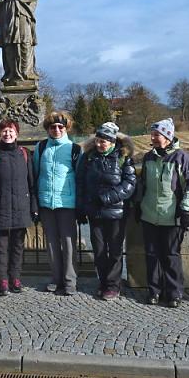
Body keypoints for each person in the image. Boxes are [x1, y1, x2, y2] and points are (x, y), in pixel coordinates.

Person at [137, 118, 189, 308]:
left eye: (157, 135)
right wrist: (138, 205)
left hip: (172, 216)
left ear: (168, 137)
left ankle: (174, 293)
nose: (153, 138)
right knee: (152, 255)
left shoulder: (181, 157)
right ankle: (154, 291)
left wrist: (185, 211)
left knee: (171, 256)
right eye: (152, 134)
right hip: (149, 215)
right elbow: (142, 184)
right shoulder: (148, 157)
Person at [0, 119, 38, 295]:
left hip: (21, 208)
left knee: (18, 247)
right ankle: (2, 279)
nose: (7, 134)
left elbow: (32, 184)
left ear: (17, 133)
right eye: (4, 131)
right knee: (1, 247)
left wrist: (34, 207)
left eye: (11, 131)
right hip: (0, 208)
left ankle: (15, 277)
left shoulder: (25, 154)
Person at [76, 122, 136, 301]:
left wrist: (108, 197)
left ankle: (113, 285)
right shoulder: (88, 158)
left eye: (104, 141)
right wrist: (81, 207)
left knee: (115, 250)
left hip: (116, 213)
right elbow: (80, 183)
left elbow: (130, 184)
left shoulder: (123, 157)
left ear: (112, 142)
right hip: (95, 212)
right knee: (100, 250)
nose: (100, 144)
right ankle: (103, 282)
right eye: (98, 140)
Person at [33, 111, 81, 296]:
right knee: (52, 243)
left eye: (60, 126)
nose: (57, 129)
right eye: (53, 127)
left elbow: (79, 176)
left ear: (66, 127)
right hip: (46, 202)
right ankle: (56, 278)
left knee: (68, 243)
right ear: (48, 129)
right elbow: (36, 173)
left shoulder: (74, 149)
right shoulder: (41, 147)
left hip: (67, 203)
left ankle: (70, 281)